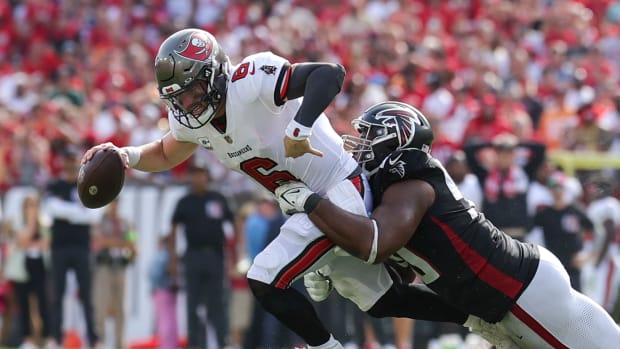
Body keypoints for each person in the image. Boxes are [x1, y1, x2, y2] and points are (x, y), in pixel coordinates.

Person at [82, 27, 398, 348]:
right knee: (383, 300)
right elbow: (165, 152)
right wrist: (126, 155)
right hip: (308, 208)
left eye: (192, 91)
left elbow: (328, 75)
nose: (186, 104)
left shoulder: (250, 81)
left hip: (341, 190)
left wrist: (299, 129)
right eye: (178, 97)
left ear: (215, 74)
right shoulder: (193, 121)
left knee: (267, 276)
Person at [274, 101, 620, 349]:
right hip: (498, 302)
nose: (358, 146)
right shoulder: (396, 190)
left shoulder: (413, 186)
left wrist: (310, 203)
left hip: (522, 290)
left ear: (396, 139)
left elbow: (375, 245)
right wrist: (329, 266)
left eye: (368, 136)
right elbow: (400, 277)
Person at [168, 162, 233, 349]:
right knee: (192, 304)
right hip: (193, 255)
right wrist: (172, 259)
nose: (199, 178)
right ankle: (195, 344)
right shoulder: (185, 202)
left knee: (217, 302)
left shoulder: (218, 198)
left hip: (215, 255)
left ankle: (222, 342)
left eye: (202, 174)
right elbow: (173, 229)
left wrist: (237, 253)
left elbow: (233, 220)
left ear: (208, 176)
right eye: (195, 174)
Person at [44, 146, 101, 349]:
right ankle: (56, 338)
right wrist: (78, 212)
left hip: (81, 247)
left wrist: (67, 211)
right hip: (59, 247)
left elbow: (94, 215)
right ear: (62, 162)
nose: (69, 164)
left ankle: (93, 340)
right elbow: (52, 209)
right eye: (66, 160)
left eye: (72, 159)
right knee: (57, 294)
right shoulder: (54, 185)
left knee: (86, 295)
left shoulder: (86, 184)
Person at [528, 172, 592, 291]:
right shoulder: (544, 214)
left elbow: (596, 231)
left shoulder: (576, 210)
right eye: (554, 187)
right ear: (549, 189)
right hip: (553, 265)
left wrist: (588, 255)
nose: (557, 191)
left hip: (574, 265)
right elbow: (527, 231)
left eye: (559, 187)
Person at [92, 198, 136, 349]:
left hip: (120, 266)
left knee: (120, 308)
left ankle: (119, 343)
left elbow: (133, 242)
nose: (114, 205)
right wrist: (120, 242)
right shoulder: (100, 221)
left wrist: (117, 242)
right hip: (104, 266)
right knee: (101, 306)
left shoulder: (125, 222)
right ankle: (100, 342)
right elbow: (100, 241)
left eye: (116, 202)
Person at [12, 193, 53, 349]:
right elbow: (22, 240)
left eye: (34, 205)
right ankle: (27, 339)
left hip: (40, 266)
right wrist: (31, 223)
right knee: (24, 303)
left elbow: (46, 243)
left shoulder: (45, 223)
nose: (31, 209)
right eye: (28, 205)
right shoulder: (18, 223)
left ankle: (47, 337)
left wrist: (31, 241)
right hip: (23, 266)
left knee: (43, 303)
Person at [149, 235, 178, 349]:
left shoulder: (161, 256)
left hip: (163, 291)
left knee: (165, 322)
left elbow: (153, 274)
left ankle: (167, 346)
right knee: (170, 322)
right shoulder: (168, 256)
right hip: (167, 290)